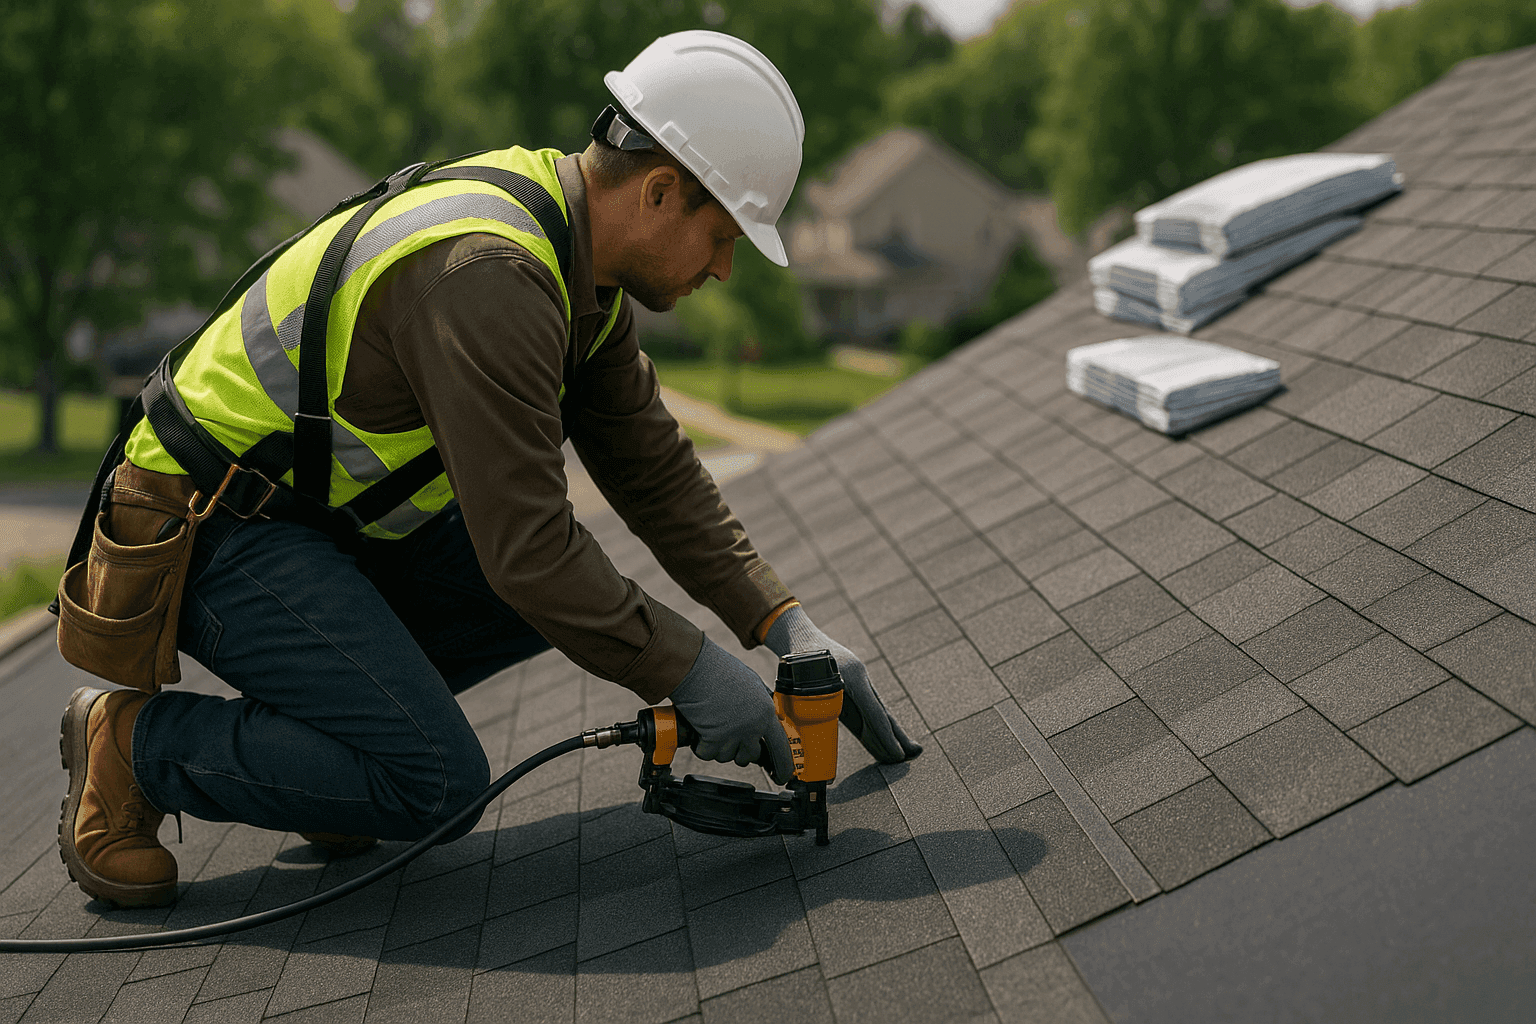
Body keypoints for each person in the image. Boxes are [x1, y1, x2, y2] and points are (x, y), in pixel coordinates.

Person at [58, 30, 920, 909]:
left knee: (555, 603)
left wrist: (784, 625)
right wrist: (692, 672)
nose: (726, 267)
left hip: (318, 526)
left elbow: (652, 470)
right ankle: (131, 750)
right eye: (724, 234)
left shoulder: (576, 262)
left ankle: (335, 753)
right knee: (437, 781)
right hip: (209, 527)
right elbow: (531, 555)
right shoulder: (490, 274)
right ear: (661, 190)